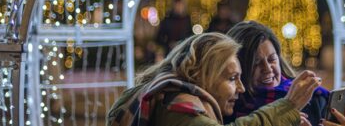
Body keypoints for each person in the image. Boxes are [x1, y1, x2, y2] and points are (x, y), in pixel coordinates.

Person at [107, 32, 322, 126]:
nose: (241, 88)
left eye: (272, 59)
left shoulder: (169, 98)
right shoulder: (175, 105)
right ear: (202, 74)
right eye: (232, 78)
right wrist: (289, 106)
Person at [226, 21, 345, 126]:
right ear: (238, 68)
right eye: (256, 63)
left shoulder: (315, 99)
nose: (268, 69)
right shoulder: (229, 106)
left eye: (272, 59)